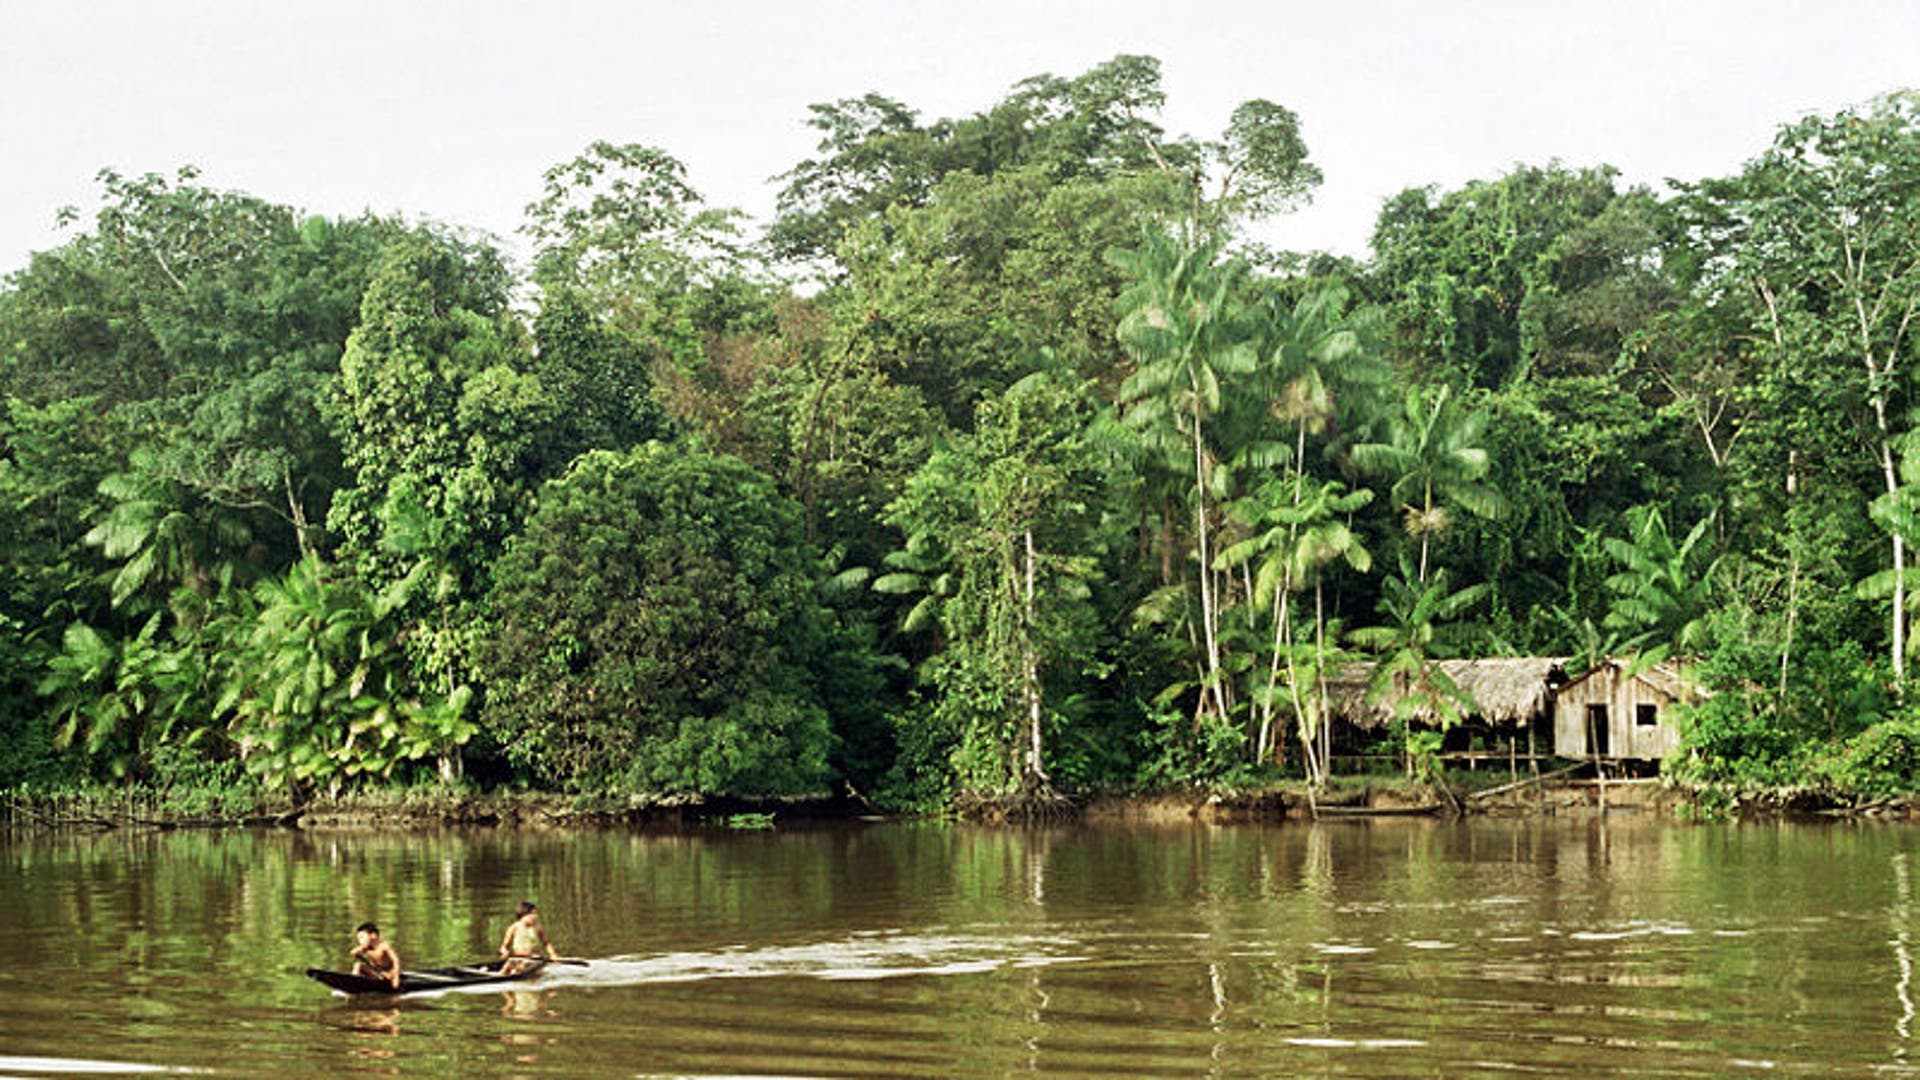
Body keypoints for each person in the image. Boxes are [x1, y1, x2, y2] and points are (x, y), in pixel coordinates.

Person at [498, 900, 561, 973]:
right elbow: (504, 947)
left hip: (533, 960)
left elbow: (546, 943)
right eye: (532, 914)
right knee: (507, 967)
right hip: (517, 959)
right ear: (523, 915)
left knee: (520, 969)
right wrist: (504, 952)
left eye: (535, 914)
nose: (535, 917)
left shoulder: (537, 928)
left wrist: (553, 955)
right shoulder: (514, 928)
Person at [351, 922, 403, 990]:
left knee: (359, 965)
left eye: (362, 938)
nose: (360, 941)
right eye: (359, 939)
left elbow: (396, 960)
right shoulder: (366, 948)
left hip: (389, 976)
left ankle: (357, 982)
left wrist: (396, 978)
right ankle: (354, 982)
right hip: (377, 974)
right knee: (358, 965)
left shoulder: (384, 946)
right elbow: (353, 952)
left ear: (373, 936)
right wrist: (360, 955)